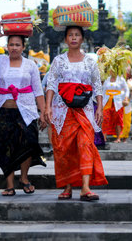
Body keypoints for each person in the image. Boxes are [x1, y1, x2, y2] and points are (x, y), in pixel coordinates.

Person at [0, 24, 47, 196]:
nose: (14, 48)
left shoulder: (30, 65)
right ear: (7, 46)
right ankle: (9, 184)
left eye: (17, 45)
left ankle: (24, 178)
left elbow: (38, 91)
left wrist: (43, 113)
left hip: (26, 112)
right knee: (4, 147)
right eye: (11, 44)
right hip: (4, 112)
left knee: (29, 143)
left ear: (23, 47)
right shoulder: (1, 61)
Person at [45, 26, 107, 201]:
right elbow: (51, 84)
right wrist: (48, 107)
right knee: (64, 149)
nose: (73, 38)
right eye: (70, 35)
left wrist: (100, 108)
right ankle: (67, 186)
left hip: (84, 110)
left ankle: (85, 188)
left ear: (82, 39)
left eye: (77, 35)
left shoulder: (90, 61)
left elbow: (97, 86)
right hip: (62, 110)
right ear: (65, 39)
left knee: (86, 145)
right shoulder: (58, 60)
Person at [102, 72, 130, 143]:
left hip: (118, 102)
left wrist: (126, 98)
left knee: (118, 119)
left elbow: (127, 89)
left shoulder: (121, 79)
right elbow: (103, 90)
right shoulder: (107, 79)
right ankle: (104, 138)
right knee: (105, 118)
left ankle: (118, 138)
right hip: (107, 102)